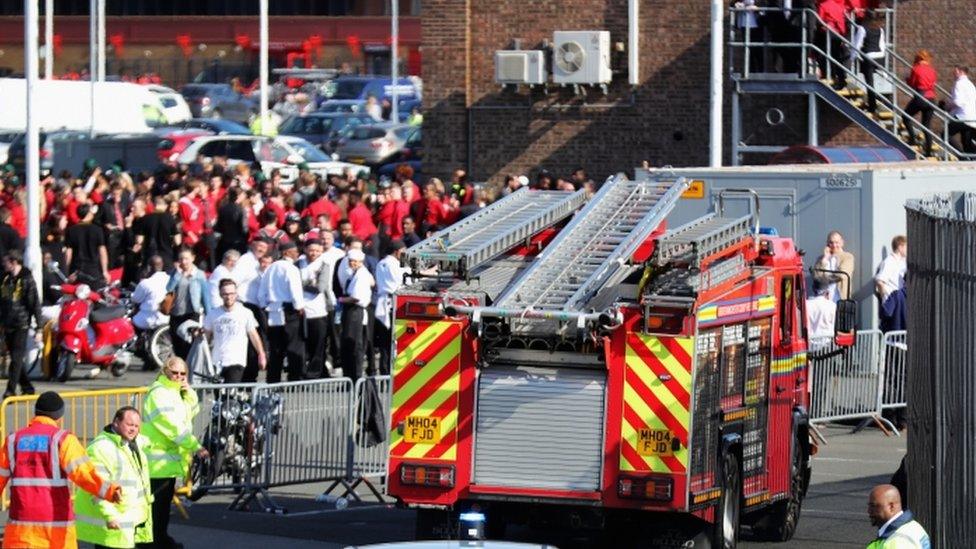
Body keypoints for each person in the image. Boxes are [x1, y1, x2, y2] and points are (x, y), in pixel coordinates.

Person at [0, 391, 122, 549]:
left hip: (21, 531)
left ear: (36, 412)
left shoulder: (13, 441)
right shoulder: (63, 440)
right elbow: (84, 475)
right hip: (55, 529)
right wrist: (110, 491)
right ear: (59, 416)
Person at [142, 357, 208, 549]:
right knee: (154, 510)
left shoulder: (175, 392)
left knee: (162, 509)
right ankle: (151, 543)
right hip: (156, 462)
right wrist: (195, 445)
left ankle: (161, 539)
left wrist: (188, 392)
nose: (179, 377)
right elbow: (172, 426)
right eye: (175, 373)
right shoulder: (159, 393)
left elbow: (190, 412)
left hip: (169, 463)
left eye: (183, 373)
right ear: (165, 372)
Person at [74, 406, 153, 549]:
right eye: (129, 425)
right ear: (116, 422)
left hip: (129, 518)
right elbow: (97, 487)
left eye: (136, 426)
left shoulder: (131, 443)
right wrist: (110, 516)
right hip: (114, 521)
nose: (133, 429)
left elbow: (150, 442)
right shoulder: (101, 448)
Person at [258, 240, 306, 383]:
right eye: (294, 251)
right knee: (294, 346)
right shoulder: (291, 269)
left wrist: (264, 305)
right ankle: (294, 378)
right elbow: (295, 290)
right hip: (289, 310)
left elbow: (261, 293)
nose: (297, 254)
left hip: (273, 310)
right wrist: (299, 307)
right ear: (286, 253)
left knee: (276, 348)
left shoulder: (270, 268)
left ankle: (273, 379)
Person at [203, 279, 266, 383]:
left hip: (236, 361)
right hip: (217, 361)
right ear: (220, 294)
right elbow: (206, 338)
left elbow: (253, 335)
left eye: (232, 294)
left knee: (230, 395)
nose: (229, 297)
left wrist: (261, 354)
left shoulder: (245, 313)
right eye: (225, 294)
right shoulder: (213, 314)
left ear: (236, 294)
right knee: (219, 396)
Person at [0, 250, 43, 398]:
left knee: (16, 358)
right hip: (7, 324)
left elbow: (35, 304)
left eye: (6, 262)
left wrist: (39, 328)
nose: (3, 264)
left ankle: (10, 390)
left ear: (13, 262)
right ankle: (27, 386)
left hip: (21, 324)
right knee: (15, 357)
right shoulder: (5, 279)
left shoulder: (26, 279)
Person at [298, 239, 336, 379]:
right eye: (311, 250)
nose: (314, 253)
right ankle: (310, 372)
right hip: (301, 310)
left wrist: (302, 284)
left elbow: (320, 287)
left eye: (318, 250)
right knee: (304, 345)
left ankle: (314, 374)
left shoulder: (323, 265)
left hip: (319, 311)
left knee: (319, 345)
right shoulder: (298, 264)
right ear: (305, 249)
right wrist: (309, 284)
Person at [165, 247, 212, 361]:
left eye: (186, 258)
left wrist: (209, 315)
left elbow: (205, 296)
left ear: (193, 258)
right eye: (181, 259)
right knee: (177, 344)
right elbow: (168, 288)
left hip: (191, 313)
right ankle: (182, 369)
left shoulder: (199, 275)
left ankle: (189, 369)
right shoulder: (174, 273)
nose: (184, 262)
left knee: (189, 343)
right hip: (176, 313)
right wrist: (177, 275)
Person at [374, 240, 409, 375]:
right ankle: (389, 373)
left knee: (385, 343)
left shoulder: (380, 263)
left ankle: (385, 372)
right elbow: (403, 280)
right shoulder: (393, 264)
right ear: (397, 251)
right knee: (391, 342)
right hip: (392, 303)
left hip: (384, 303)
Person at [340, 248, 374, 381]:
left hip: (355, 311)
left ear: (360, 262)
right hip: (354, 311)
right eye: (350, 261)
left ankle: (355, 375)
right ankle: (352, 375)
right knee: (351, 344)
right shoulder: (358, 273)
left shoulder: (361, 275)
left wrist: (341, 300)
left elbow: (356, 297)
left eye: (355, 261)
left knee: (354, 344)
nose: (352, 263)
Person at [866, 484, 930, 548]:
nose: (868, 511)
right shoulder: (914, 526)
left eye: (873, 506)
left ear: (891, 506)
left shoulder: (896, 542)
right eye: (869, 505)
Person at [65, 203, 110, 286]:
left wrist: (66, 271)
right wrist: (105, 271)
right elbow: (102, 252)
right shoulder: (97, 230)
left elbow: (68, 253)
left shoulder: (71, 230)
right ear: (88, 214)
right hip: (93, 270)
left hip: (76, 269)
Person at [904, 50, 938, 157]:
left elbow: (913, 83)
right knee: (926, 126)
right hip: (931, 98)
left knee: (905, 116)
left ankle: (912, 139)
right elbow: (933, 83)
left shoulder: (916, 68)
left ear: (918, 58)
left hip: (920, 96)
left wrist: (907, 80)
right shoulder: (932, 70)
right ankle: (928, 151)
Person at [853, 14, 886, 113]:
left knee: (870, 83)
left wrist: (853, 57)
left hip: (869, 56)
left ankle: (872, 106)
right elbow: (882, 44)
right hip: (880, 56)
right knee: (875, 80)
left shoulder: (862, 29)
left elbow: (857, 44)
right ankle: (879, 100)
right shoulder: (880, 30)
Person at [874, 235, 907, 332]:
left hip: (900, 301)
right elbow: (880, 281)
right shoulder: (889, 261)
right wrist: (886, 297)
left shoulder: (902, 262)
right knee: (893, 329)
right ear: (900, 247)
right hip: (893, 301)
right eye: (906, 247)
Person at [131, 255, 170, 332]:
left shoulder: (146, 283)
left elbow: (135, 299)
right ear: (162, 265)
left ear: (149, 267)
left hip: (148, 320)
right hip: (166, 319)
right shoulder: (170, 279)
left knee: (130, 320)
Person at [815, 231, 855, 302]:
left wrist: (823, 280)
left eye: (837, 242)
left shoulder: (847, 257)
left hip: (840, 299)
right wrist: (825, 259)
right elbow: (816, 276)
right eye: (831, 242)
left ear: (842, 243)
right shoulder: (821, 259)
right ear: (827, 243)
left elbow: (841, 275)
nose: (834, 245)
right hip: (822, 299)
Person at [946, 65, 976, 154]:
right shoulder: (971, 85)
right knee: (966, 141)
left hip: (962, 116)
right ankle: (970, 158)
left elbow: (958, 102)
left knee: (946, 134)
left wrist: (948, 106)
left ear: (961, 72)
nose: (953, 74)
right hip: (971, 117)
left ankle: (961, 155)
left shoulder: (959, 83)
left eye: (955, 72)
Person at [806, 280, 837, 344]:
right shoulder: (832, 305)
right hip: (826, 345)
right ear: (827, 292)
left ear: (814, 290)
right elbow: (835, 326)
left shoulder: (806, 304)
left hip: (810, 344)